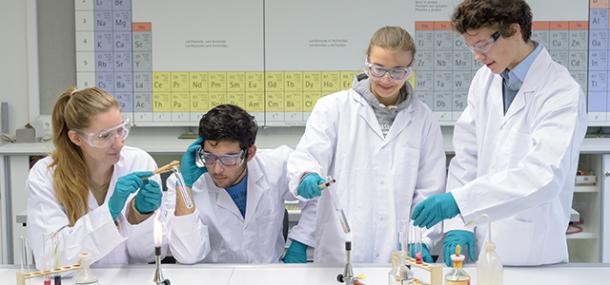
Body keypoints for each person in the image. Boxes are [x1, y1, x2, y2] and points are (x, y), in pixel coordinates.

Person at [411, 0, 587, 266]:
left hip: (531, 255)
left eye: (482, 45)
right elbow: (467, 159)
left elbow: (544, 176)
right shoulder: (485, 80)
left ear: (514, 30)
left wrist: (460, 202)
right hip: (481, 250)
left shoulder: (561, 91)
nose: (477, 56)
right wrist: (460, 224)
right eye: (471, 46)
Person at [287, 26, 446, 263]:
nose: (386, 79)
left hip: (399, 250)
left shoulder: (424, 118)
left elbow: (429, 189)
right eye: (378, 69)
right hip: (340, 251)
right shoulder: (333, 108)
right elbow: (309, 156)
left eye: (397, 72)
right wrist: (306, 176)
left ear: (410, 70)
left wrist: (420, 239)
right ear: (366, 64)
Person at [26, 87, 164, 269]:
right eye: (105, 136)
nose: (119, 142)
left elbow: (144, 255)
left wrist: (141, 215)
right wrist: (109, 213)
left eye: (120, 130)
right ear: (76, 138)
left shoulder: (139, 162)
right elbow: (50, 260)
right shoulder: (45, 175)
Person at [168, 104, 316, 263]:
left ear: (250, 153)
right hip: (211, 277)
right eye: (209, 157)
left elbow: (319, 196)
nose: (217, 169)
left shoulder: (276, 165)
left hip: (267, 274)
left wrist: (301, 241)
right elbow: (187, 255)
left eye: (229, 158)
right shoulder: (183, 184)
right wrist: (185, 186)